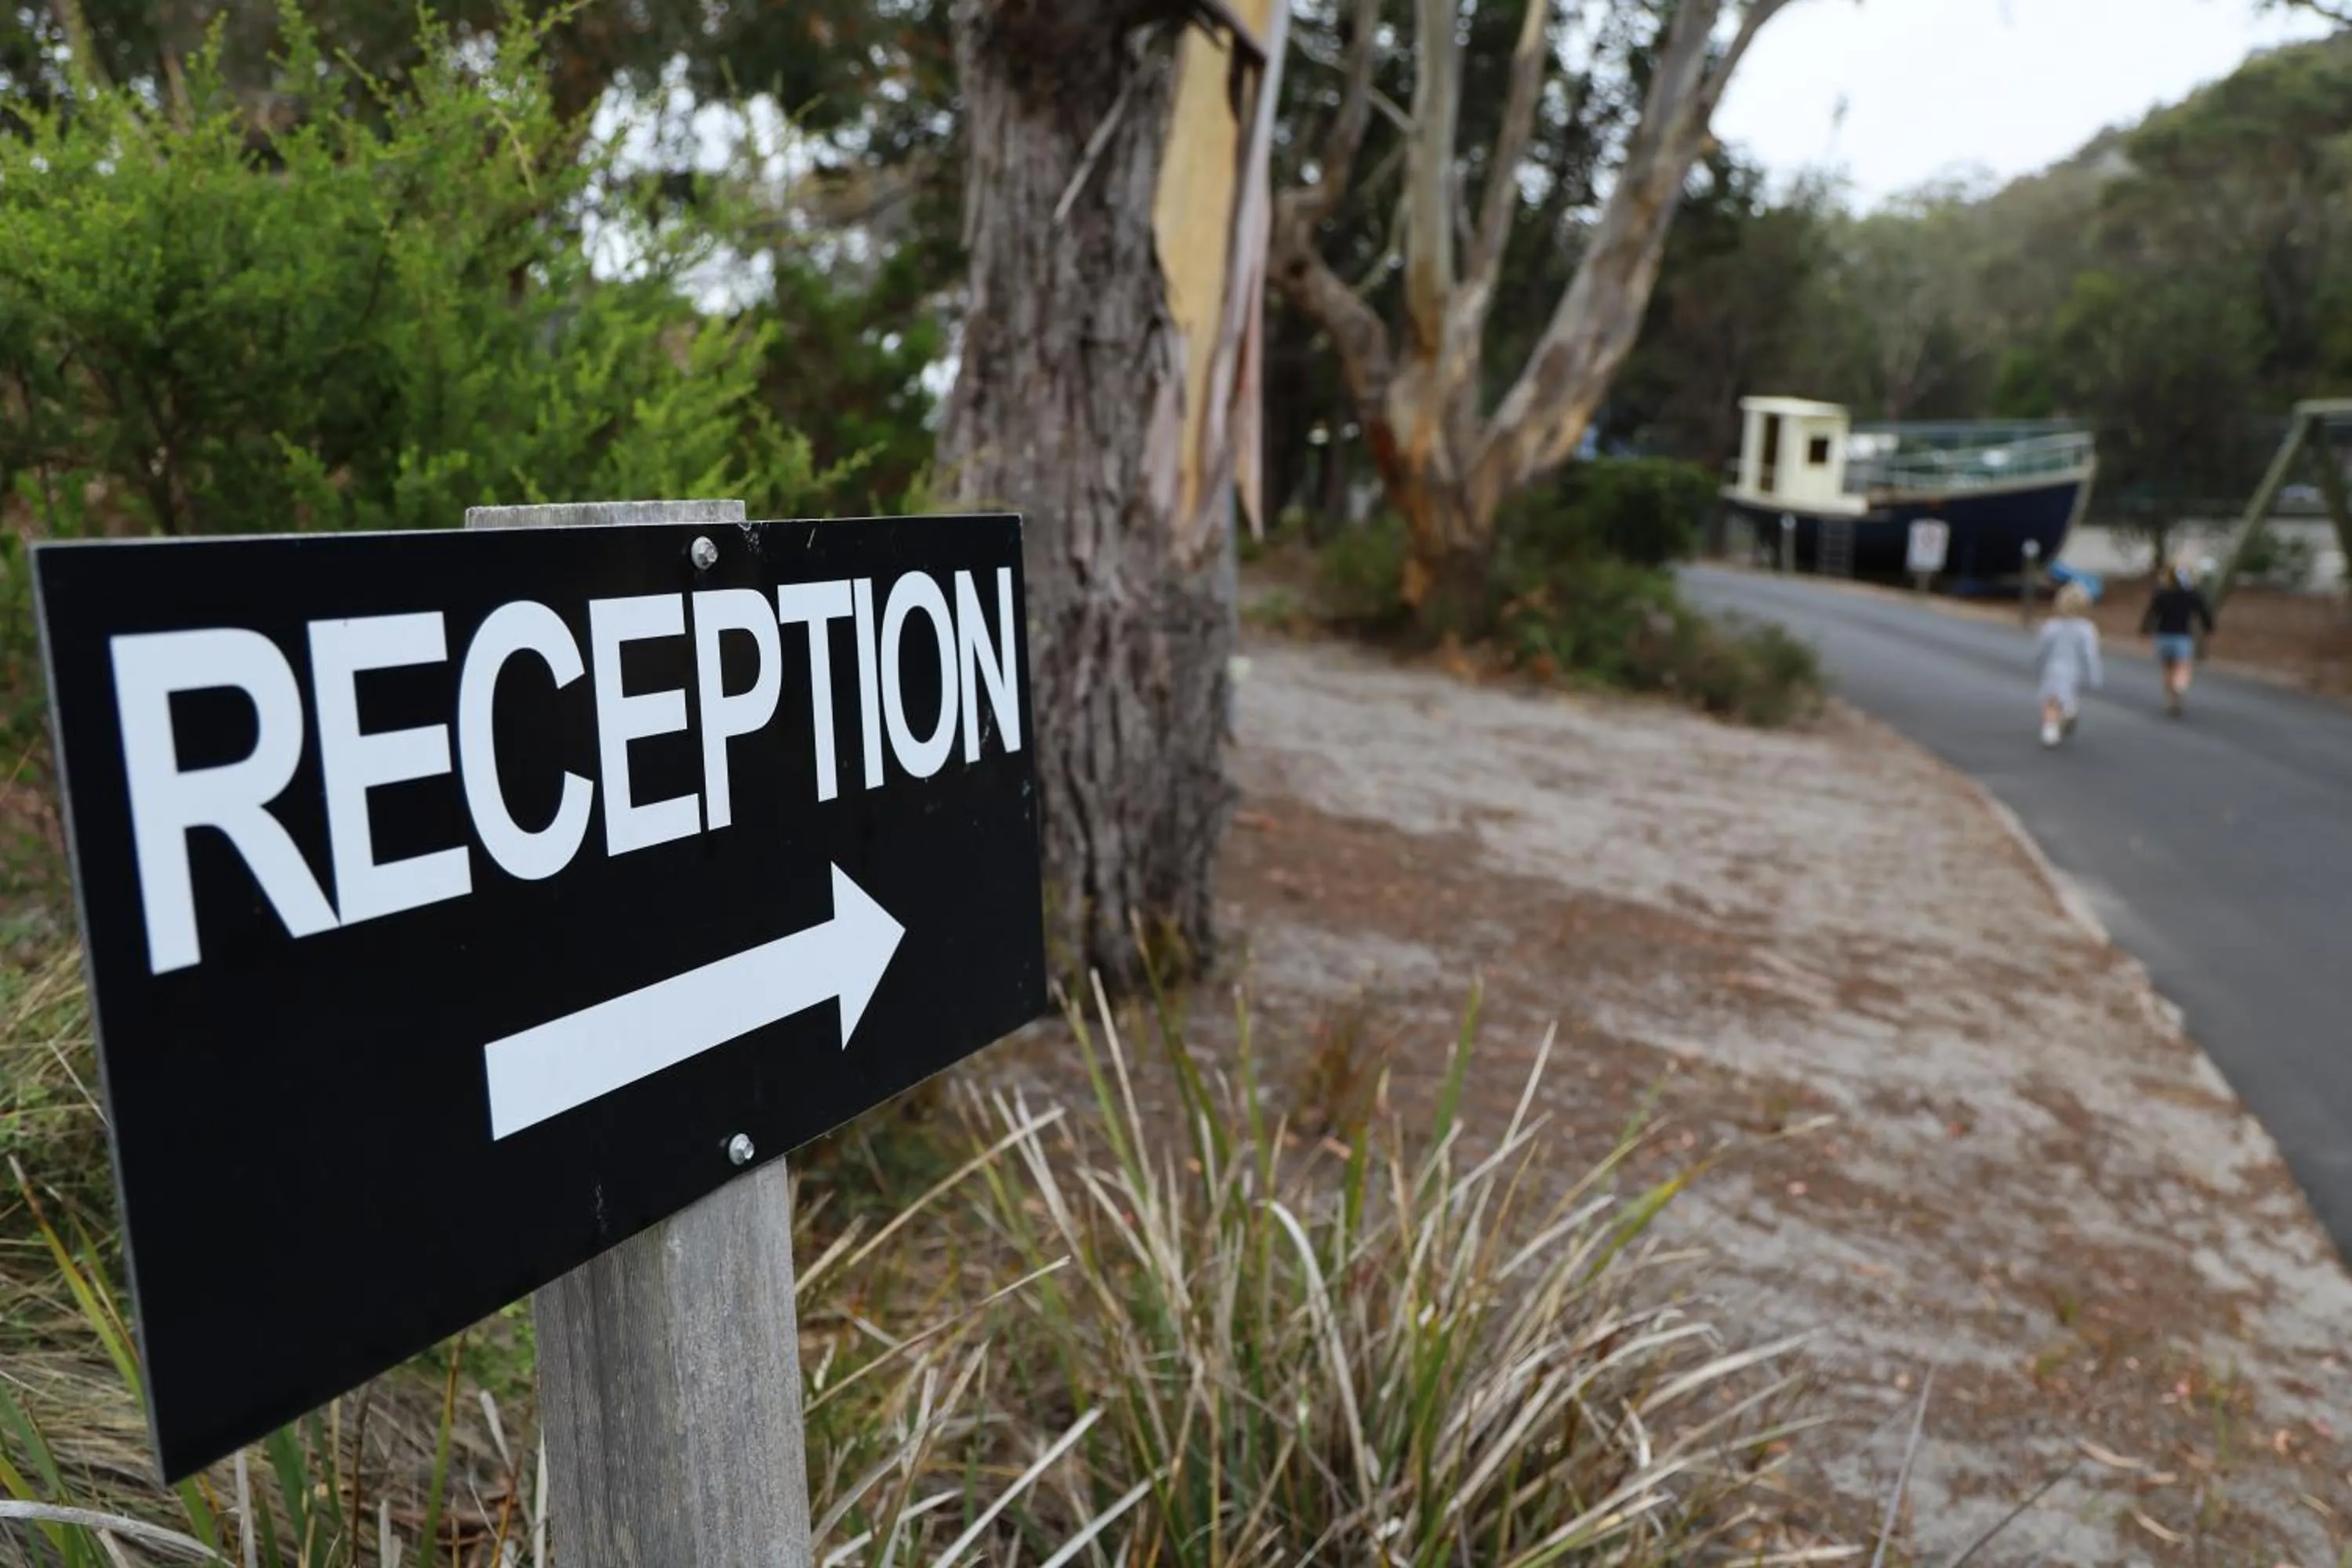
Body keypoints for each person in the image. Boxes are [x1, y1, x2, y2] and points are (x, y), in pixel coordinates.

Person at [2140, 558, 2216, 716]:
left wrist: (2145, 629)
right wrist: (2209, 628)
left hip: (2163, 636)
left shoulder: (2161, 594)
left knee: (2167, 668)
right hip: (2182, 637)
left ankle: (2170, 699)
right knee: (2183, 667)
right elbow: (2204, 613)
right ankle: (2179, 687)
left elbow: (2151, 613)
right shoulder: (2192, 595)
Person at [2034, 582, 2103, 747]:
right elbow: (2090, 654)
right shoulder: (2087, 629)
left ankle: (2050, 729)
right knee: (2067, 694)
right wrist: (2094, 674)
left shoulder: (2051, 626)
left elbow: (2042, 648)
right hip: (2073, 669)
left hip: (2053, 667)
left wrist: (2037, 662)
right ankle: (2069, 712)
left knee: (2051, 698)